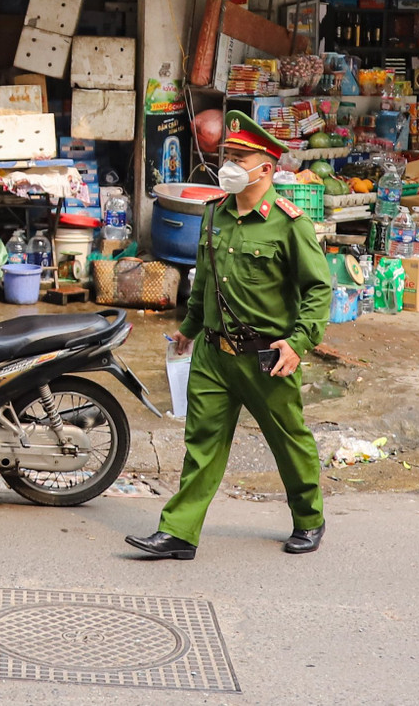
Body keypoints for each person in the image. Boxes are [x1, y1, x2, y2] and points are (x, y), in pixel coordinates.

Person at [128, 110, 332, 561]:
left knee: (288, 441)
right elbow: (205, 280)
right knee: (201, 445)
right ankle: (179, 532)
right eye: (228, 156)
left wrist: (298, 344)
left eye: (241, 157)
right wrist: (188, 328)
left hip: (267, 358)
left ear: (267, 167)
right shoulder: (215, 213)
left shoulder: (289, 223)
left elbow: (319, 289)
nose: (231, 166)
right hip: (213, 356)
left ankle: (309, 517)